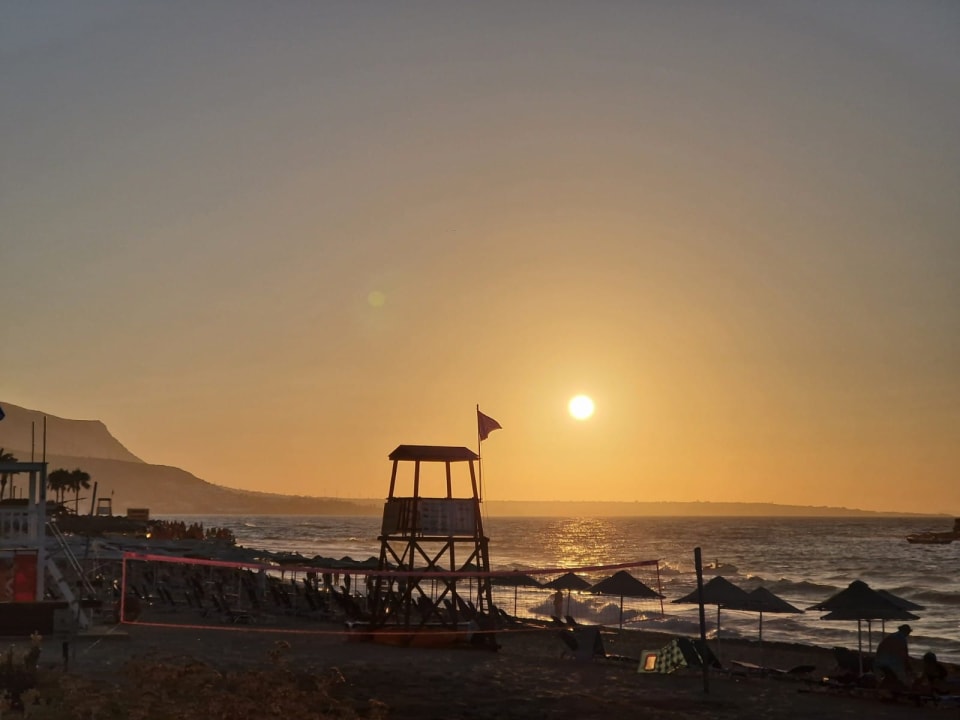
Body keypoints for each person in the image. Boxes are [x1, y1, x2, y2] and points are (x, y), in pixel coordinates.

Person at [875, 624, 914, 688]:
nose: (908, 634)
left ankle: (881, 688)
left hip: (880, 660)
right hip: (890, 662)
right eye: (908, 632)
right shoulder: (902, 638)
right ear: (906, 631)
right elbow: (904, 654)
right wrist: (908, 666)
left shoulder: (892, 636)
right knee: (897, 677)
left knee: (890, 676)